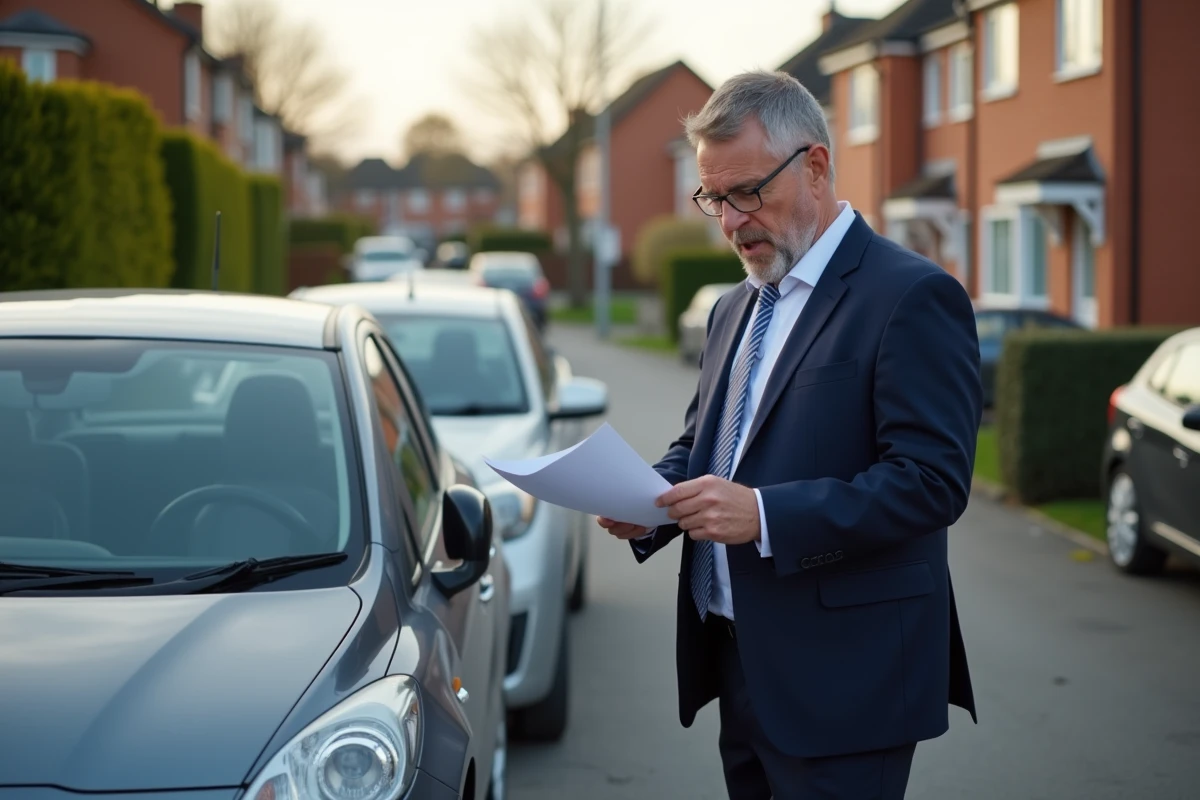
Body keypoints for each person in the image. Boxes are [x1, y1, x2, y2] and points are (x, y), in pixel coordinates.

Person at [598, 70, 981, 799]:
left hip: (848, 681)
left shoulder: (911, 295)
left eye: (748, 192)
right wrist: (649, 501)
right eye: (713, 198)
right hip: (739, 663)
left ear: (815, 166)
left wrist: (766, 515)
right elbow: (707, 446)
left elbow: (932, 482)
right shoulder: (733, 308)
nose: (730, 221)